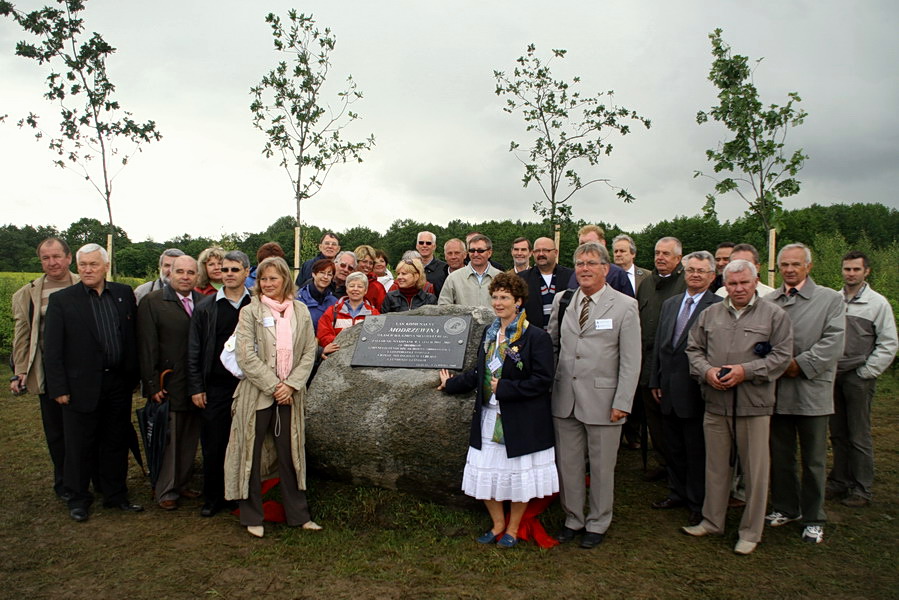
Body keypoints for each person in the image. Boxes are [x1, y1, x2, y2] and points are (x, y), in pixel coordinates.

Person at [438, 272, 558, 548]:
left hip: (520, 418)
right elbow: (481, 372)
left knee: (517, 478)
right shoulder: (490, 333)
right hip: (489, 416)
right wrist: (451, 384)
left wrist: (505, 389)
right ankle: (498, 524)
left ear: (518, 301)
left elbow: (542, 380)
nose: (498, 302)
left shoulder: (535, 336)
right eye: (495, 297)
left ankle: (513, 528)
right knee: (485, 472)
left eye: (505, 297)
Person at [683, 259, 793, 555]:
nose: (739, 288)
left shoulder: (774, 315)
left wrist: (746, 371)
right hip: (716, 404)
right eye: (732, 284)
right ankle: (711, 520)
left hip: (753, 405)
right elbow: (693, 349)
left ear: (756, 281)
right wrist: (706, 371)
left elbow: (782, 356)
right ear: (724, 285)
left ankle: (750, 532)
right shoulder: (710, 314)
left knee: (755, 473)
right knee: (716, 467)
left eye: (744, 282)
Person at [548, 242, 641, 549]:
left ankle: (599, 522)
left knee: (601, 468)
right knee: (569, 464)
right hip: (565, 398)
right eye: (579, 264)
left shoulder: (625, 306)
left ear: (605, 268)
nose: (584, 269)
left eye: (591, 263)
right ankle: (573, 518)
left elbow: (631, 361)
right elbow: (552, 345)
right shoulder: (565, 300)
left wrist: (623, 402)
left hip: (605, 401)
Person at [44, 243, 144, 522]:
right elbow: (52, 349)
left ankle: (115, 494)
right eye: (83, 264)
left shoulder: (123, 294)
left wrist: (132, 377)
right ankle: (78, 498)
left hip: (117, 384)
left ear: (106, 266)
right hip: (79, 387)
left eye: (93, 264)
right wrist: (59, 388)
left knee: (115, 441)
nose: (87, 270)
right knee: (79, 445)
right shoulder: (63, 300)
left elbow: (131, 337)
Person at [223, 257, 321, 538]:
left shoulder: (300, 311)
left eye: (273, 279)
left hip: (290, 395)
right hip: (257, 393)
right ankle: (252, 514)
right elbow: (245, 354)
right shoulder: (249, 312)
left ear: (285, 280)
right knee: (250, 454)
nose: (267, 284)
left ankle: (298, 515)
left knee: (291, 454)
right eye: (263, 279)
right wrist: (273, 385)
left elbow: (307, 352)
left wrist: (290, 386)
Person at [765, 243, 845, 545]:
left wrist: (799, 365)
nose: (789, 269)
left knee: (813, 460)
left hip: (812, 392)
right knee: (781, 455)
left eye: (795, 264)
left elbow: (834, 342)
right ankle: (786, 507)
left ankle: (814, 518)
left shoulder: (829, 300)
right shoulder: (770, 300)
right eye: (784, 264)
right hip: (778, 392)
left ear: (808, 267)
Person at [649, 251, 722, 526]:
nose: (694, 275)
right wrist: (655, 380)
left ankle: (697, 501)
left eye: (701, 271)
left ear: (712, 276)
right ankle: (676, 492)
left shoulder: (717, 306)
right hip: (666, 388)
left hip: (696, 390)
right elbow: (660, 346)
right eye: (690, 269)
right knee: (674, 447)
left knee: (696, 450)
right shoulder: (671, 304)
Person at [10, 237, 80, 500]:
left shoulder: (83, 284)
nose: (52, 263)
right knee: (56, 430)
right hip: (48, 371)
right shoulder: (28, 294)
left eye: (56, 257)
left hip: (81, 370)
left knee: (83, 428)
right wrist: (21, 371)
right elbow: (23, 337)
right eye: (45, 258)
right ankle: (63, 481)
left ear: (68, 257)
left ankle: (86, 476)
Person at [827, 250, 898, 507]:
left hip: (858, 377)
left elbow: (889, 344)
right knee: (837, 432)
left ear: (866, 271)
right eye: (847, 269)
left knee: (859, 434)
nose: (851, 273)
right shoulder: (834, 300)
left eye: (856, 269)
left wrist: (866, 372)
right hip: (834, 375)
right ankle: (839, 480)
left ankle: (861, 488)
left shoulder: (877, 304)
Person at [187, 250, 252, 517]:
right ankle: (213, 497)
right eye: (225, 270)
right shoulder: (206, 306)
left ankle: (238, 494)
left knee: (243, 443)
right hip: (215, 385)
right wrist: (196, 386)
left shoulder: (257, 305)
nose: (229, 275)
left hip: (248, 385)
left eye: (235, 270)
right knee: (214, 443)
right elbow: (193, 349)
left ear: (247, 272)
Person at [138, 254, 204, 511]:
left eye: (190, 273)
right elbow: (146, 346)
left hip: (195, 383)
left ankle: (182, 482)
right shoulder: (153, 302)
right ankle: (165, 488)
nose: (185, 277)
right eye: (180, 272)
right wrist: (152, 384)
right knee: (169, 438)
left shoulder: (202, 301)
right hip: (168, 381)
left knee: (189, 436)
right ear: (170, 273)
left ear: (197, 276)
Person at [635, 236, 686, 481]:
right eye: (657, 253)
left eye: (666, 254)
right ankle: (663, 463)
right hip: (646, 365)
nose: (660, 258)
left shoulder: (686, 283)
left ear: (678, 258)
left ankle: (680, 470)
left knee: (674, 421)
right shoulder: (646, 284)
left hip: (674, 367)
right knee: (653, 419)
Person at [317, 271, 380, 358]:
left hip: (363, 357)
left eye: (360, 286)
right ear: (346, 289)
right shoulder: (333, 311)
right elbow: (323, 334)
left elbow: (377, 337)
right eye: (351, 286)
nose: (355, 289)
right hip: (337, 355)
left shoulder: (374, 314)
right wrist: (341, 344)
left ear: (365, 291)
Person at [517, 236, 573, 330]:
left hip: (564, 336)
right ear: (533, 253)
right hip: (533, 338)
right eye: (537, 251)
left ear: (555, 252)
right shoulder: (521, 278)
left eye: (546, 250)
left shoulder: (571, 277)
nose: (541, 254)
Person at [566, 225, 634, 297]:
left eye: (590, 243)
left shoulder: (617, 275)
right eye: (582, 244)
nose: (586, 247)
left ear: (602, 243)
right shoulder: (575, 274)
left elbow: (626, 304)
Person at [438, 234, 502, 307]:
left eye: (480, 251)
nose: (475, 254)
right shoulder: (453, 278)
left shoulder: (500, 278)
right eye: (472, 250)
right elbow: (443, 308)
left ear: (489, 253)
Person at [296, 259, 339, 333]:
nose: (325, 277)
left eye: (329, 274)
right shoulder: (299, 299)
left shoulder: (334, 302)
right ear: (313, 274)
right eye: (322, 272)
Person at [354, 244, 387, 309]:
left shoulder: (377, 287)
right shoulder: (346, 282)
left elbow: (382, 313)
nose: (368, 265)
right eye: (364, 261)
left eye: (371, 263)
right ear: (356, 262)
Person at [417, 231, 448, 296]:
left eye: (428, 243)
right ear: (417, 246)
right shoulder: (410, 267)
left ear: (434, 246)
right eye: (421, 243)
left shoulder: (444, 268)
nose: (424, 245)